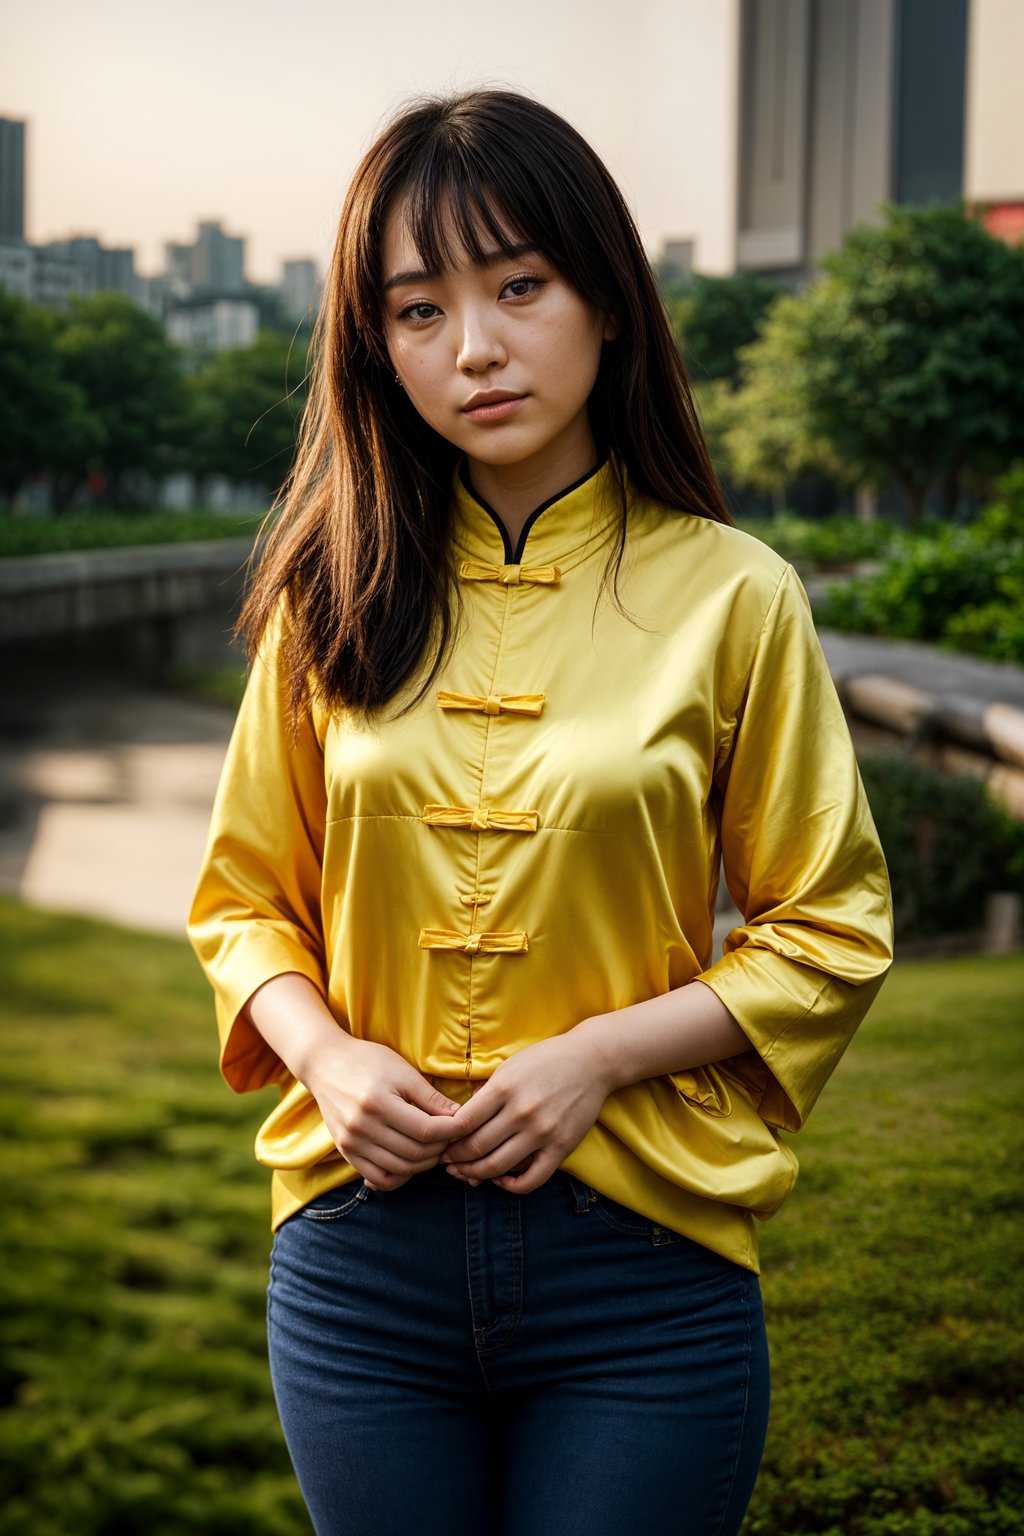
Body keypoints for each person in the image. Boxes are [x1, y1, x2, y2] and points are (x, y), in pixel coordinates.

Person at [186, 87, 894, 1536]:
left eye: (519, 286)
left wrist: (596, 1059)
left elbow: (831, 925)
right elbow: (244, 901)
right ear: (373, 345)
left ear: (608, 298)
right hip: (359, 1266)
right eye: (419, 310)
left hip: (642, 1263)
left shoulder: (733, 595)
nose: (477, 349)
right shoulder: (332, 594)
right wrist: (323, 1061)